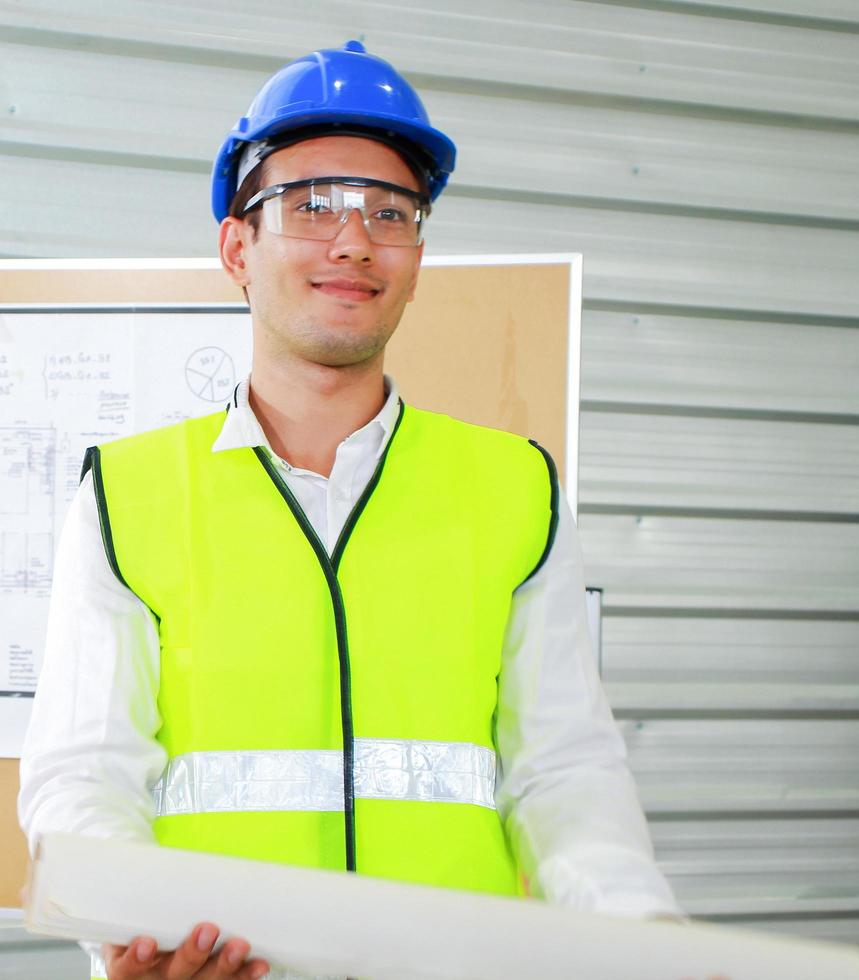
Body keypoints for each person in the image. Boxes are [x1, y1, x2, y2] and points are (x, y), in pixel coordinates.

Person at [19, 40, 679, 980]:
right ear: (236, 247)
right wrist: (131, 936)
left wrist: (640, 939)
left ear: (416, 256)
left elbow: (563, 768)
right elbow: (83, 773)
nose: (352, 240)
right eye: (310, 205)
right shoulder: (128, 493)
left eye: (390, 212)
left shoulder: (513, 486)